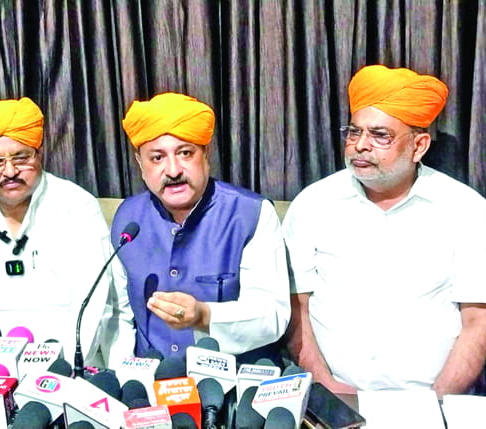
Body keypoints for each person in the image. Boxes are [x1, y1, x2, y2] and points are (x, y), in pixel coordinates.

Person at [283, 65, 486, 395]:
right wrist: (325, 386)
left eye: (380, 135)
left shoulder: (466, 210)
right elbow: (297, 307)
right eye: (354, 132)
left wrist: (435, 402)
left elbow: (478, 322)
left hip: (432, 401)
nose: (361, 146)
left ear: (419, 146)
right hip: (333, 398)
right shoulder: (313, 204)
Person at [0, 97, 134, 367]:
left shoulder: (77, 207)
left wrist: (64, 367)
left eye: (21, 158)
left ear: (39, 155)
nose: (10, 171)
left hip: (65, 360)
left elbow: (95, 301)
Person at [114, 92, 290, 360]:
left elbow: (272, 315)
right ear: (140, 163)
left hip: (233, 378)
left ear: (206, 154)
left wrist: (204, 316)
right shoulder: (128, 218)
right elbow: (119, 315)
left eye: (185, 153)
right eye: (157, 158)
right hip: (151, 377)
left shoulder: (251, 214)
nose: (173, 171)